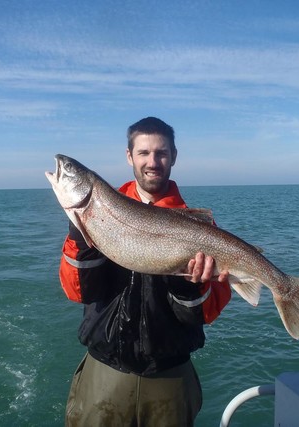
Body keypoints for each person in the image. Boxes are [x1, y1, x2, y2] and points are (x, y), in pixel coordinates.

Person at [57, 117, 231, 426]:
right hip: (103, 375)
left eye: (161, 153)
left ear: (173, 157)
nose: (153, 162)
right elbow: (77, 292)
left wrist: (190, 286)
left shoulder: (200, 229)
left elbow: (208, 313)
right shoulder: (102, 211)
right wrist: (80, 238)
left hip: (170, 381)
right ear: (129, 156)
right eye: (143, 153)